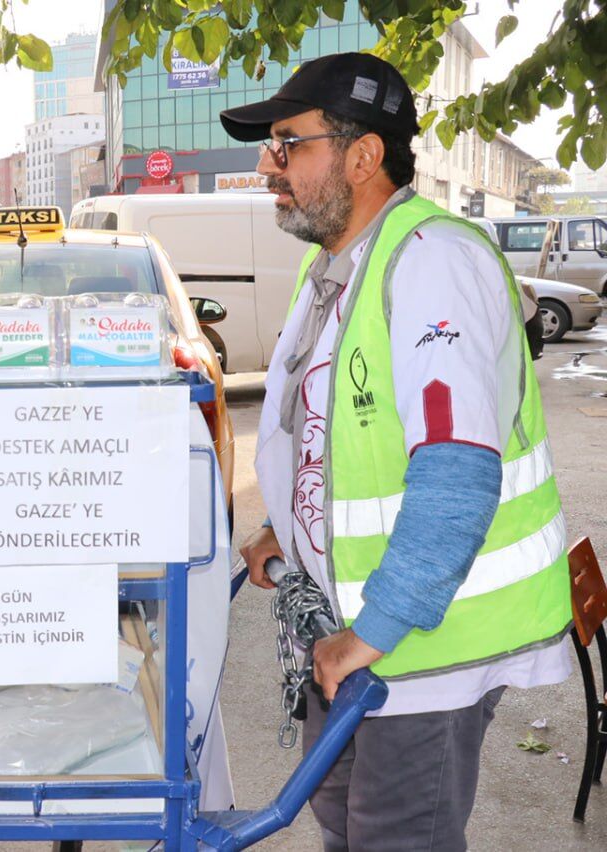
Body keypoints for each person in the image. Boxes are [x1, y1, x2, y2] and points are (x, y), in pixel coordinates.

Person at [223, 53, 571, 852]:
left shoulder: (431, 261)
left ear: (363, 155)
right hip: (363, 630)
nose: (268, 165)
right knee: (342, 820)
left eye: (288, 144)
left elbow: (455, 470)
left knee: (395, 836)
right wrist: (290, 528)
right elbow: (335, 431)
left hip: (422, 643)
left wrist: (373, 631)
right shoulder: (338, 263)